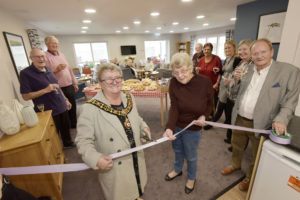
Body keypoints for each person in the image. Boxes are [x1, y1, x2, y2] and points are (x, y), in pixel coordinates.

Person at [221, 38, 300, 191]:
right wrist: (235, 82)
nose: (259, 56)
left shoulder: (287, 71)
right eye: (255, 53)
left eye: (263, 52)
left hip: (262, 122)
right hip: (240, 117)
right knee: (236, 144)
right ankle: (235, 164)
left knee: (257, 152)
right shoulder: (247, 69)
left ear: (272, 51)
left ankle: (250, 176)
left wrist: (281, 119)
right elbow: (233, 93)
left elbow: (290, 101)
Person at [75, 63, 151, 200]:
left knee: (137, 186)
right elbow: (83, 141)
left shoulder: (129, 98)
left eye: (118, 77)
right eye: (109, 79)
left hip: (136, 157)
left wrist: (143, 127)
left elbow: (137, 119)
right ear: (100, 83)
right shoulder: (89, 108)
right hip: (115, 167)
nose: (114, 81)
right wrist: (95, 158)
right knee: (123, 194)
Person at [163, 53, 213, 194]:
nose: (180, 75)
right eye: (176, 72)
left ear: (191, 68)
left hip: (193, 127)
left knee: (191, 155)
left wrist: (204, 115)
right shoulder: (173, 83)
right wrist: (169, 128)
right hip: (178, 125)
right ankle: (177, 170)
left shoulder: (205, 82)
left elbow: (210, 104)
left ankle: (191, 177)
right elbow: (174, 107)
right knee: (177, 150)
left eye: (184, 70)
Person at [20, 49, 75, 148]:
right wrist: (45, 90)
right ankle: (57, 153)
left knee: (66, 128)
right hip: (47, 109)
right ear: (31, 58)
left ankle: (68, 143)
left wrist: (65, 99)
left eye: (43, 56)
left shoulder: (48, 69)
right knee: (53, 134)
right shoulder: (25, 73)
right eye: (37, 57)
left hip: (61, 105)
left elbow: (57, 85)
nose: (41, 59)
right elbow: (25, 96)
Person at [45, 36, 78, 128]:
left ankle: (74, 125)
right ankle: (66, 127)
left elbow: (70, 70)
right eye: (53, 43)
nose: (55, 45)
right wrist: (56, 70)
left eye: (56, 43)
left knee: (73, 106)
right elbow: (45, 74)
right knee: (63, 108)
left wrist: (74, 82)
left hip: (69, 85)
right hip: (58, 88)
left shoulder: (62, 55)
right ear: (47, 44)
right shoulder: (45, 57)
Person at [196, 43, 222, 116]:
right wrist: (197, 71)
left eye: (208, 49)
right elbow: (198, 72)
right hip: (203, 86)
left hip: (213, 85)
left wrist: (217, 83)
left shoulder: (216, 59)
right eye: (205, 49)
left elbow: (220, 73)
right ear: (203, 50)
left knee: (212, 103)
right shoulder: (201, 59)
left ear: (211, 50)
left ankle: (211, 117)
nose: (206, 51)